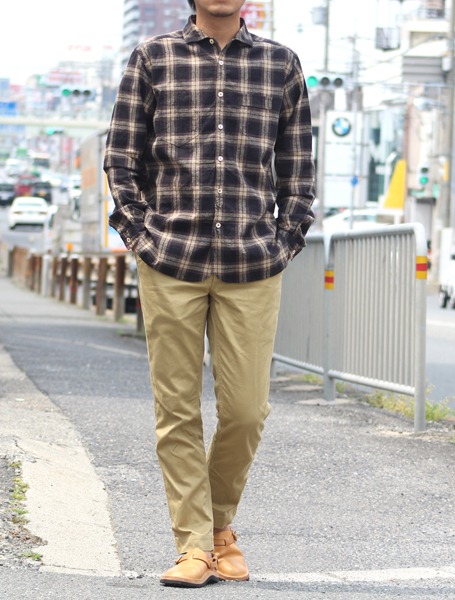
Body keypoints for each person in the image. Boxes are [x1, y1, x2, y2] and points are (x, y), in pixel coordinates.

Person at [103, 0, 315, 589]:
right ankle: (196, 546)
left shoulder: (281, 64)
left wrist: (284, 242)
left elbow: (298, 170)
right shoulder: (153, 57)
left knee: (247, 411)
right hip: (171, 258)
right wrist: (141, 236)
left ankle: (218, 526)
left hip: (252, 262)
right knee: (177, 410)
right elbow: (121, 158)